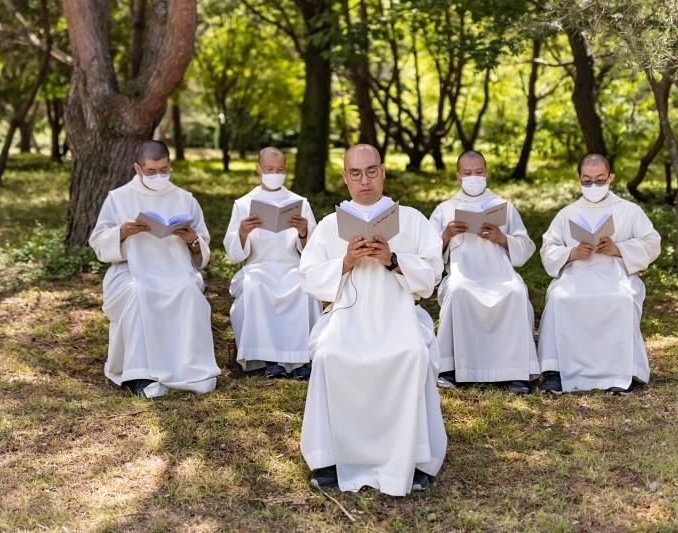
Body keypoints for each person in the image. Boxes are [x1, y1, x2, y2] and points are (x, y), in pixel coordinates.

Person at [298, 144, 446, 496]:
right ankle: (332, 458)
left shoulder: (410, 219)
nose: (364, 180)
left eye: (371, 171)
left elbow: (432, 273)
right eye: (355, 173)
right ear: (345, 178)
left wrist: (393, 260)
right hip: (347, 317)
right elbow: (308, 276)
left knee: (410, 354)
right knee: (332, 355)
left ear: (383, 172)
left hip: (397, 315)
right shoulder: (331, 225)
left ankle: (414, 459)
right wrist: (345, 262)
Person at [89, 140, 220, 398]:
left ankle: (188, 369)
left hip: (176, 270)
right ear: (137, 169)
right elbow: (99, 243)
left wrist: (191, 240)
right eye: (152, 171)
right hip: (131, 270)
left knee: (187, 291)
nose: (159, 176)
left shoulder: (185, 199)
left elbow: (201, 251)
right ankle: (139, 374)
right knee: (139, 293)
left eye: (164, 169)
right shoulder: (118, 198)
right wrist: (122, 232)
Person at [537, 153, 661, 395]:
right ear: (579, 180)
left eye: (599, 180)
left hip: (615, 274)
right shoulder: (567, 213)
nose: (593, 186)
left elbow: (652, 242)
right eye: (587, 181)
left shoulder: (629, 211)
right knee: (559, 298)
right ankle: (556, 372)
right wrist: (571, 253)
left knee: (621, 298)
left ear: (610, 178)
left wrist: (619, 249)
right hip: (576, 274)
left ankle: (623, 372)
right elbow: (548, 248)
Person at [429, 151, 539, 394]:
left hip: (500, 274)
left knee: (516, 291)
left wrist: (501, 237)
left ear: (486, 173)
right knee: (458, 291)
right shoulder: (445, 209)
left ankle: (516, 371)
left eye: (479, 172)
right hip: (463, 274)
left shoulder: (503, 207)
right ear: (458, 175)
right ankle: (452, 368)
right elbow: (426, 253)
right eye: (468, 173)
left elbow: (525, 245)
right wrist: (447, 235)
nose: (474, 177)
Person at [223, 147, 321, 379]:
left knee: (301, 287)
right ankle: (270, 359)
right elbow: (234, 253)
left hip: (292, 267)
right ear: (259, 169)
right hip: (258, 266)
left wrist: (304, 232)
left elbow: (315, 250)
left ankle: (299, 360)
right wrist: (244, 232)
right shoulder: (244, 204)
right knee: (256, 286)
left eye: (279, 170)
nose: (275, 173)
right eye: (269, 169)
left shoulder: (299, 202)